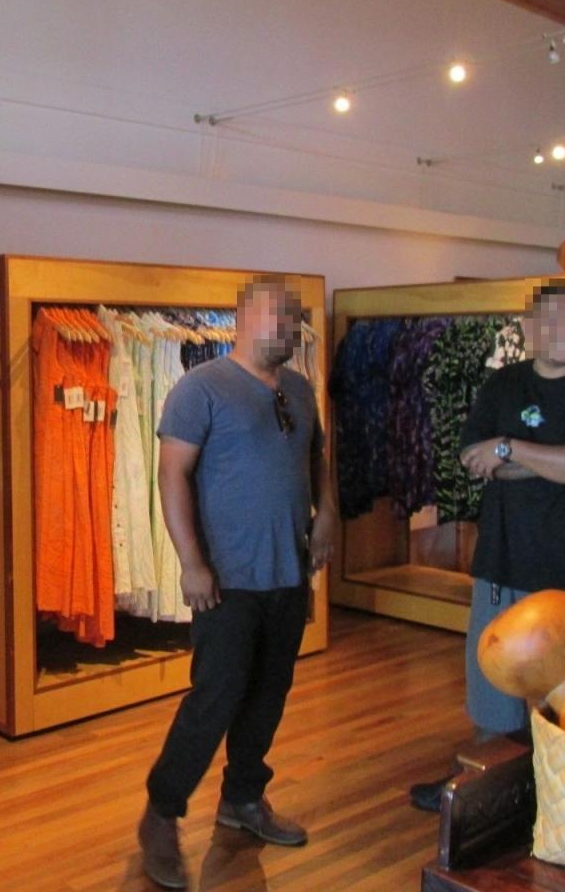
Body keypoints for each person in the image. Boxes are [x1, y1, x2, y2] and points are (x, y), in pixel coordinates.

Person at [136, 276, 337, 890]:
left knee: (269, 693)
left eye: (295, 319)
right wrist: (191, 562)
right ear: (245, 318)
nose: (290, 329)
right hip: (227, 578)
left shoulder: (299, 388)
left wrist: (327, 514)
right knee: (216, 697)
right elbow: (171, 477)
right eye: (279, 316)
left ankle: (243, 797)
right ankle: (161, 814)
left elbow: (317, 459)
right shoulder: (200, 388)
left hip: (288, 571)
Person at [408, 279, 565, 812]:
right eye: (549, 321)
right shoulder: (503, 384)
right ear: (529, 328)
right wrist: (549, 459)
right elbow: (472, 458)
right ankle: (483, 799)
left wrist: (508, 449)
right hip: (501, 563)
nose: (561, 331)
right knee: (493, 693)